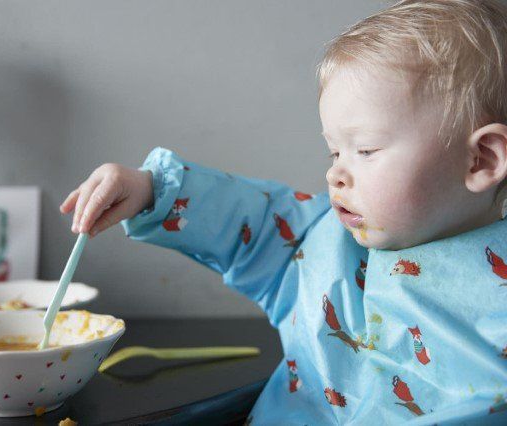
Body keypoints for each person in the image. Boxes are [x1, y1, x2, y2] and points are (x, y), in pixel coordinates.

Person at [60, 1, 507, 423]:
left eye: (365, 149)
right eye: (335, 152)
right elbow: (250, 222)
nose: (335, 175)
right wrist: (149, 189)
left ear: (481, 161)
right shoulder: (320, 242)